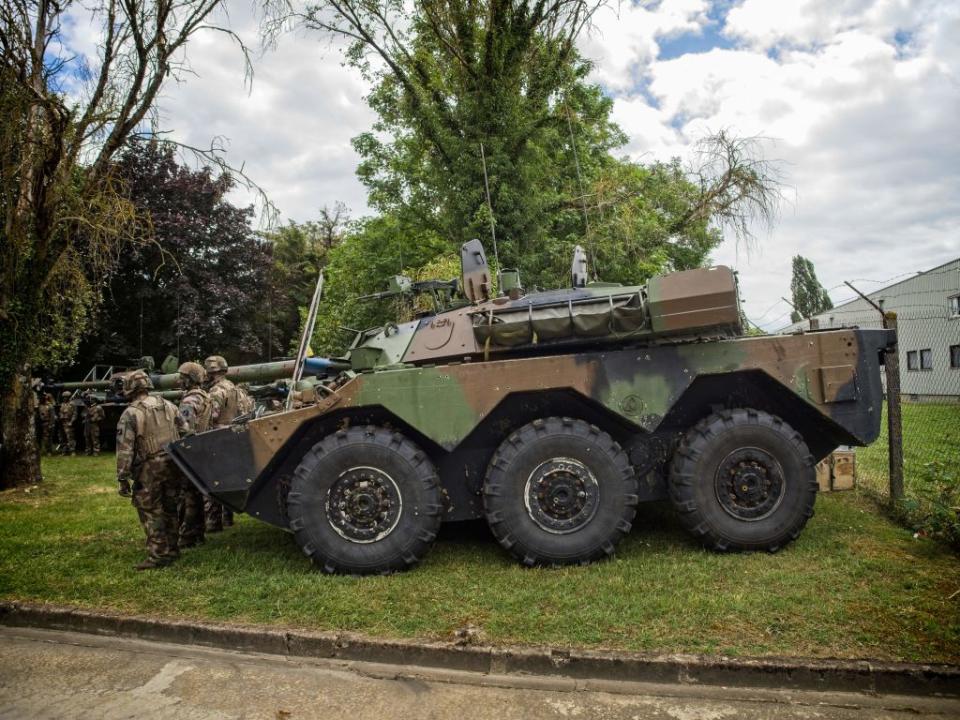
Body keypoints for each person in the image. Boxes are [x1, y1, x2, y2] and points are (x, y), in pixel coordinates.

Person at [115, 370, 182, 570]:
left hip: (149, 467)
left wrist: (122, 476)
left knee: (151, 511)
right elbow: (186, 431)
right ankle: (173, 549)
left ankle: (158, 555)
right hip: (173, 463)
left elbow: (125, 448)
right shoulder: (169, 405)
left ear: (130, 388)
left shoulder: (131, 413)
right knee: (170, 507)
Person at [202, 355, 252, 531]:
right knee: (228, 480)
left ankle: (213, 522)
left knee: (212, 480)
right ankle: (227, 517)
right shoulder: (236, 388)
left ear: (210, 372)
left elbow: (211, 416)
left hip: (218, 438)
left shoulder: (216, 391)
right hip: (234, 438)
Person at [175, 361, 211, 548]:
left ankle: (187, 535)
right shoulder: (205, 396)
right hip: (201, 449)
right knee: (196, 494)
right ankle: (198, 533)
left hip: (190, 451)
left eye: (182, 377)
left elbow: (184, 428)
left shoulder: (190, 400)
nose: (179, 381)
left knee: (187, 496)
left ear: (191, 379)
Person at [57, 391, 77, 455]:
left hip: (69, 422)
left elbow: (75, 414)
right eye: (63, 397)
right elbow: (60, 412)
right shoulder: (62, 404)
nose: (64, 398)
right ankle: (64, 450)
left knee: (70, 437)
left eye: (66, 397)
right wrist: (60, 416)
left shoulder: (72, 404)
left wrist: (72, 421)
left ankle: (72, 451)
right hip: (62, 422)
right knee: (62, 437)